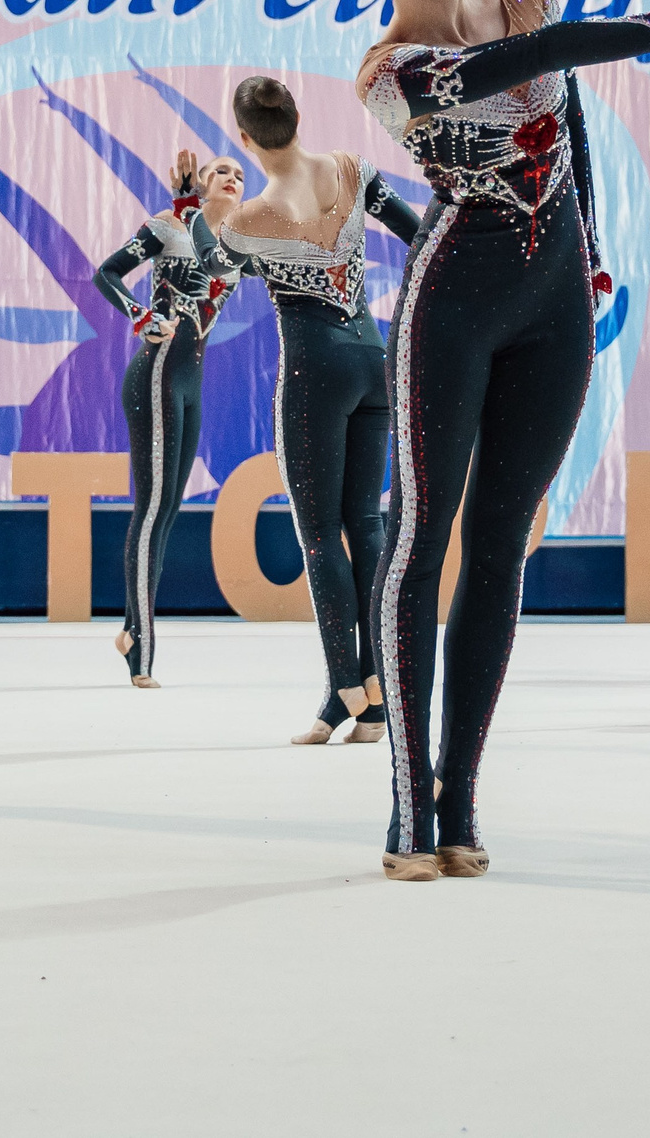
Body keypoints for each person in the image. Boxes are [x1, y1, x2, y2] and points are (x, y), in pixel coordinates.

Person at [317, 0, 650, 880]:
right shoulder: (388, 69)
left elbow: (563, 103)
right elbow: (536, 56)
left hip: (553, 307)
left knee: (501, 549)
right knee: (421, 533)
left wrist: (587, 257)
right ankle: (410, 802)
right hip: (455, 298)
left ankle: (461, 798)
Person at [191, 76, 417, 744]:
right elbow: (418, 232)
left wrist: (209, 210)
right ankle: (366, 705)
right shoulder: (351, 169)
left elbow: (213, 266)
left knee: (319, 534)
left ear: (244, 138)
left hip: (314, 371)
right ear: (297, 117)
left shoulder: (254, 218)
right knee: (366, 529)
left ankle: (350, 685)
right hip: (371, 362)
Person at [91, 156, 244, 687]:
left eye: (241, 174)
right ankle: (142, 650)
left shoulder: (233, 246)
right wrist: (139, 315)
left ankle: (133, 631)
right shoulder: (169, 225)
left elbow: (221, 272)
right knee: (152, 509)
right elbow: (105, 273)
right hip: (156, 371)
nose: (232, 177)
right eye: (221, 170)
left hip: (191, 381)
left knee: (169, 511)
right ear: (201, 183)